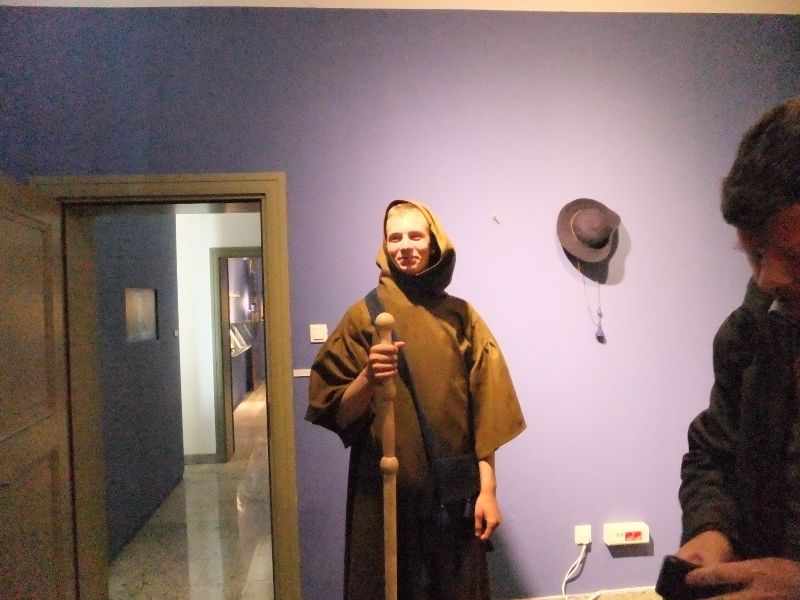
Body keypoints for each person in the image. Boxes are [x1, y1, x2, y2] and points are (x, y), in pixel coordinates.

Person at [306, 199, 526, 600]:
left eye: (415, 236)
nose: (405, 246)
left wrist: (488, 490)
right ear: (384, 245)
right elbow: (337, 409)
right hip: (384, 494)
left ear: (433, 242)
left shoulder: (462, 317)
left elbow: (487, 413)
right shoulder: (363, 317)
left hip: (454, 495)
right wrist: (368, 378)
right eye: (395, 237)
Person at [677, 97, 800, 599]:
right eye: (755, 255)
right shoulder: (748, 335)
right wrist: (712, 530)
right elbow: (713, 454)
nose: (770, 279)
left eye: (795, 256)